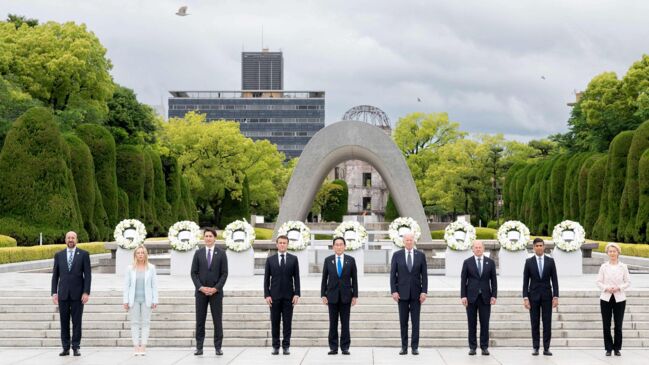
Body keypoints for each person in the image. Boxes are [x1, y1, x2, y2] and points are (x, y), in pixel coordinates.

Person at [51, 231, 91, 357]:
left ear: (76, 240)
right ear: (65, 240)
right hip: (62, 294)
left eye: (73, 238)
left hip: (78, 295)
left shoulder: (84, 254)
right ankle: (65, 347)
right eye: (68, 238)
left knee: (77, 322)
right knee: (64, 322)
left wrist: (86, 292)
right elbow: (55, 276)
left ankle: (76, 347)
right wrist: (54, 293)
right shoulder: (59, 255)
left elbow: (88, 275)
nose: (71, 240)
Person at [191, 227, 228, 356]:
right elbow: (193, 273)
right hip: (201, 293)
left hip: (216, 293)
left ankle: (218, 347)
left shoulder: (221, 253)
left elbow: (224, 274)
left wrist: (216, 288)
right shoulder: (198, 253)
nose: (208, 238)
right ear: (203, 238)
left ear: (215, 238)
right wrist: (200, 287)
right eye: (206, 236)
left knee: (217, 320)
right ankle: (199, 347)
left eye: (210, 236)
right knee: (200, 320)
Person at [390, 233, 428, 355]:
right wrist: (394, 291)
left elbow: (425, 276)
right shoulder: (397, 255)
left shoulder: (421, 256)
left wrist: (424, 291)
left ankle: (415, 347)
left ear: (414, 241)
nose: (409, 242)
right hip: (402, 294)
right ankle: (404, 347)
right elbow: (392, 275)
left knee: (416, 322)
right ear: (403, 241)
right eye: (407, 240)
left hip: (417, 294)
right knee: (403, 322)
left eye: (411, 240)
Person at [264, 235, 301, 355]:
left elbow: (297, 278)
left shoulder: (293, 259)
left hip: (289, 297)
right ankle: (275, 346)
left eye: (284, 243)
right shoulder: (270, 260)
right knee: (275, 322)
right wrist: (267, 295)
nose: (282, 245)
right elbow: (266, 280)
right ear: (277, 244)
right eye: (280, 243)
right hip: (274, 297)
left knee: (287, 323)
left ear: (287, 244)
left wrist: (297, 293)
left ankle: (286, 346)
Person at [321, 237, 358, 355]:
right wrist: (323, 294)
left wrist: (355, 295)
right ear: (333, 247)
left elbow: (355, 280)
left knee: (345, 323)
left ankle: (345, 347)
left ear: (345, 246)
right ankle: (333, 347)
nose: (339, 247)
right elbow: (324, 279)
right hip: (331, 296)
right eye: (336, 245)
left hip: (346, 297)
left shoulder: (350, 260)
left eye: (341, 244)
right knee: (333, 323)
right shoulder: (328, 260)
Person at [522, 238, 559, 356]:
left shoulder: (550, 261)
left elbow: (554, 280)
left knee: (547, 323)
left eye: (541, 245)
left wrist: (556, 296)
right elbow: (525, 281)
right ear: (533, 247)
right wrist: (525, 298)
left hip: (547, 296)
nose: (539, 247)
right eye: (536, 246)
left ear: (544, 247)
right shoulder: (528, 262)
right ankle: (535, 347)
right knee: (535, 322)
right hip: (533, 297)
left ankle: (546, 348)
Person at [460, 240, 497, 356]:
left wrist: (494, 295)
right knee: (472, 323)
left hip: (485, 298)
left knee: (485, 323)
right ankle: (472, 347)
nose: (478, 249)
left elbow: (494, 281)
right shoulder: (467, 262)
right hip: (471, 298)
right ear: (472, 249)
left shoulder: (490, 262)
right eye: (476, 247)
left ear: (483, 248)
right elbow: (463, 281)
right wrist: (463, 296)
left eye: (480, 247)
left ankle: (484, 347)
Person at [123, 244, 159, 356]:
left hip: (146, 300)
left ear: (145, 254)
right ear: (135, 255)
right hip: (133, 300)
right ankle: (136, 347)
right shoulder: (130, 268)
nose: (140, 255)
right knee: (134, 323)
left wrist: (155, 300)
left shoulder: (151, 268)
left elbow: (154, 285)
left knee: (145, 323)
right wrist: (125, 300)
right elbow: (126, 286)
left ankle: (143, 346)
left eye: (142, 253)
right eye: (138, 253)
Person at [596, 242, 630, 356]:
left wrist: (619, 287)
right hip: (606, 297)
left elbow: (628, 282)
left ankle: (617, 348)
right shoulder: (603, 266)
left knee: (618, 324)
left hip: (619, 297)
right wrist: (606, 288)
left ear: (618, 252)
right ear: (607, 253)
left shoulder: (623, 266)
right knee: (606, 324)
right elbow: (598, 281)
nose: (612, 253)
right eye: (610, 251)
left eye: (614, 251)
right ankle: (608, 348)